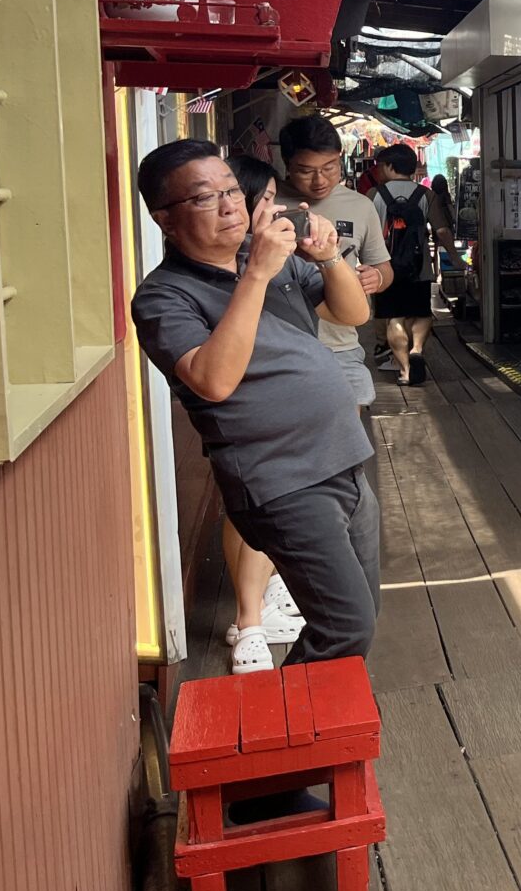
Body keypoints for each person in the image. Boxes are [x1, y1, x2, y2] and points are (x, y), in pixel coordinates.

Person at [132, 140, 382, 668]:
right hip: (282, 482)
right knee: (346, 625)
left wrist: (329, 255)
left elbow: (353, 313)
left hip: (344, 459)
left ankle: (322, 731)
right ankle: (294, 739)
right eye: (205, 198)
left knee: (361, 615)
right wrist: (256, 275)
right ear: (165, 220)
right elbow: (212, 380)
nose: (230, 206)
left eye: (231, 191)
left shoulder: (262, 256)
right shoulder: (163, 297)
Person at [201, 155, 312, 671]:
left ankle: (263, 598)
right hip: (245, 408)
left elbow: (345, 311)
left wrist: (330, 261)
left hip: (288, 405)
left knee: (266, 510)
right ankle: (248, 622)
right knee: (251, 509)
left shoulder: (275, 256)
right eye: (264, 197)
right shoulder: (218, 267)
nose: (275, 206)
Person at [278, 114, 392, 412]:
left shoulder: (361, 205)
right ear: (287, 164)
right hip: (278, 347)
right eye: (306, 171)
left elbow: (383, 267)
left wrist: (377, 278)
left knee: (346, 445)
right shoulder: (268, 201)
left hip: (339, 343)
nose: (320, 180)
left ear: (340, 157)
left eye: (329, 167)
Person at [368, 143, 442, 385]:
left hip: (384, 268)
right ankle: (417, 348)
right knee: (421, 313)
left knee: (394, 319)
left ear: (390, 166)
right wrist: (456, 257)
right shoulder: (426, 194)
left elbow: (366, 232)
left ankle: (405, 370)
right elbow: (441, 229)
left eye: (381, 166)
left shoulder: (374, 195)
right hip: (419, 267)